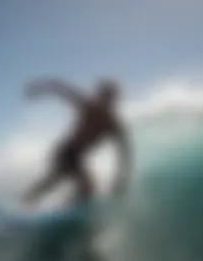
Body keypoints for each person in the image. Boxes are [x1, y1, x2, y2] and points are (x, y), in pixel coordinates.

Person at [23, 77, 131, 205]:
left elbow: (124, 151)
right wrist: (39, 88)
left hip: (79, 156)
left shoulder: (113, 124)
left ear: (113, 101)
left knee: (84, 187)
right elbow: (59, 87)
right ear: (99, 95)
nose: (104, 101)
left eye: (109, 98)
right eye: (102, 96)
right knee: (61, 178)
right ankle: (28, 200)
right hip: (67, 150)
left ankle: (62, 205)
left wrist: (120, 178)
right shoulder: (87, 105)